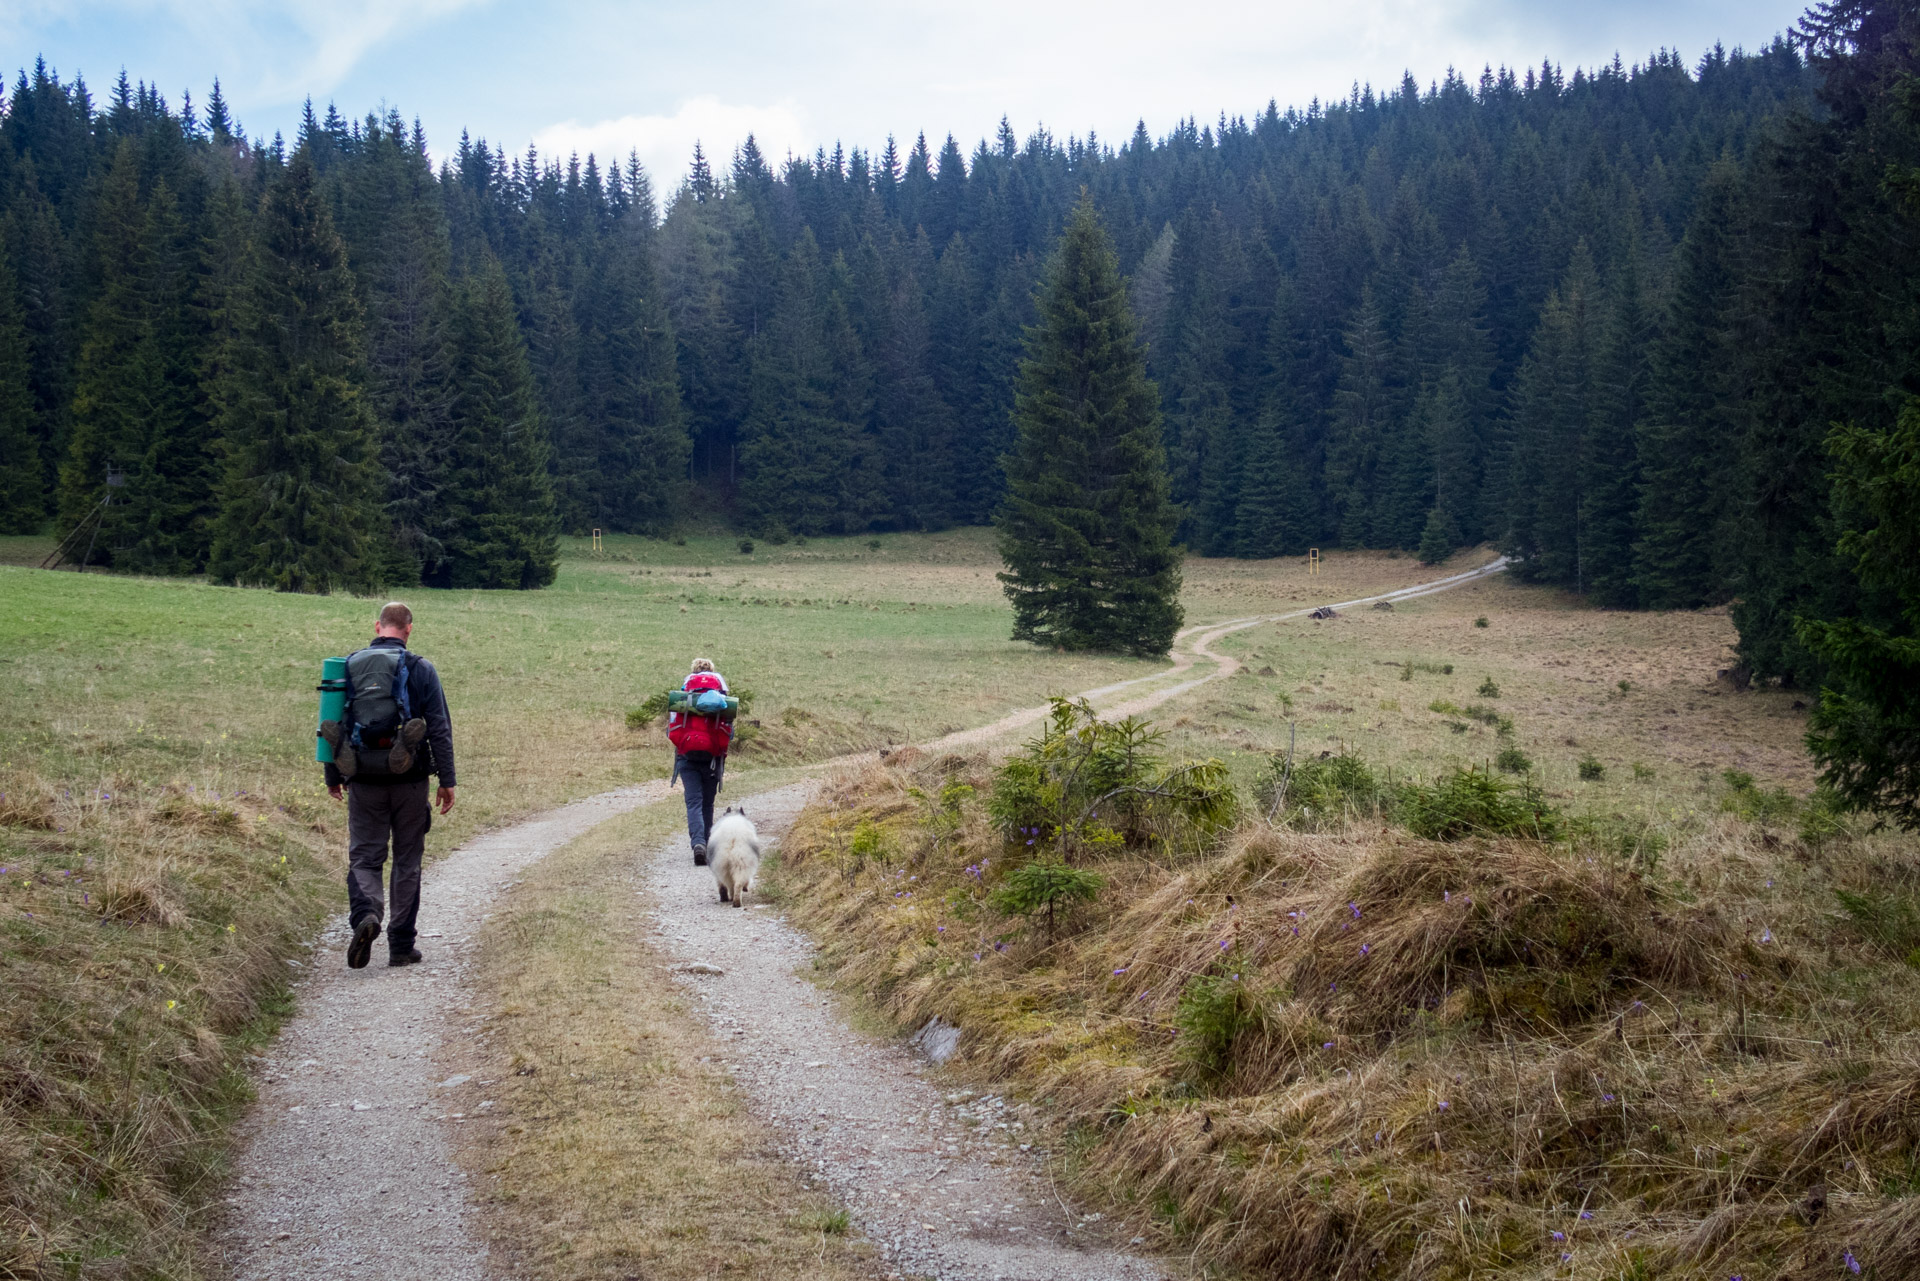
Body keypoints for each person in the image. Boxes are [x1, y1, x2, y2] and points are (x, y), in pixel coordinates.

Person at [323, 601, 456, 970]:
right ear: (409, 629)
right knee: (407, 860)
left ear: (377, 626)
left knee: (365, 856)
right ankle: (400, 945)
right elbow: (440, 728)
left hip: (362, 777)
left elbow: (329, 725)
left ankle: (367, 914)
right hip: (409, 781)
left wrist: (333, 775)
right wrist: (447, 780)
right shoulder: (420, 669)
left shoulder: (348, 666)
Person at [668, 657, 733, 865]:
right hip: (713, 757)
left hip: (687, 756)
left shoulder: (684, 697)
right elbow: (728, 732)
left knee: (693, 802)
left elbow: (672, 729)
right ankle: (706, 843)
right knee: (707, 802)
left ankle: (698, 844)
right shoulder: (720, 697)